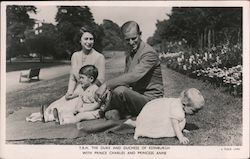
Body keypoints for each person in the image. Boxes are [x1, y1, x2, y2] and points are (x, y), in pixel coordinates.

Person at [26, 27, 105, 123]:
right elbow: (72, 78)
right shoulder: (75, 56)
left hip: (89, 94)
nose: (89, 42)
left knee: (69, 107)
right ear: (80, 41)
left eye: (91, 39)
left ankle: (51, 117)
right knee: (57, 104)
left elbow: (100, 80)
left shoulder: (99, 57)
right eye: (86, 39)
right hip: (77, 90)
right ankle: (46, 115)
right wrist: (69, 92)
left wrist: (82, 93)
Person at [95, 21, 164, 119]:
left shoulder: (149, 53)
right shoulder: (130, 53)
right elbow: (125, 80)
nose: (131, 42)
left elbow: (133, 76)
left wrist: (106, 85)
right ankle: (117, 111)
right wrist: (108, 90)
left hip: (151, 100)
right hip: (136, 95)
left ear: (140, 34)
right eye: (127, 40)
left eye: (134, 38)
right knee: (113, 96)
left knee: (120, 91)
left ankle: (116, 111)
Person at [125, 88, 205, 144]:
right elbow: (175, 124)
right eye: (194, 110)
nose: (195, 113)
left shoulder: (179, 104)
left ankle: (135, 123)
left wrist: (182, 128)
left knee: (142, 122)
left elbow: (180, 119)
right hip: (154, 115)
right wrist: (181, 137)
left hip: (155, 109)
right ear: (185, 104)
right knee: (152, 126)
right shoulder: (177, 109)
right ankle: (139, 129)